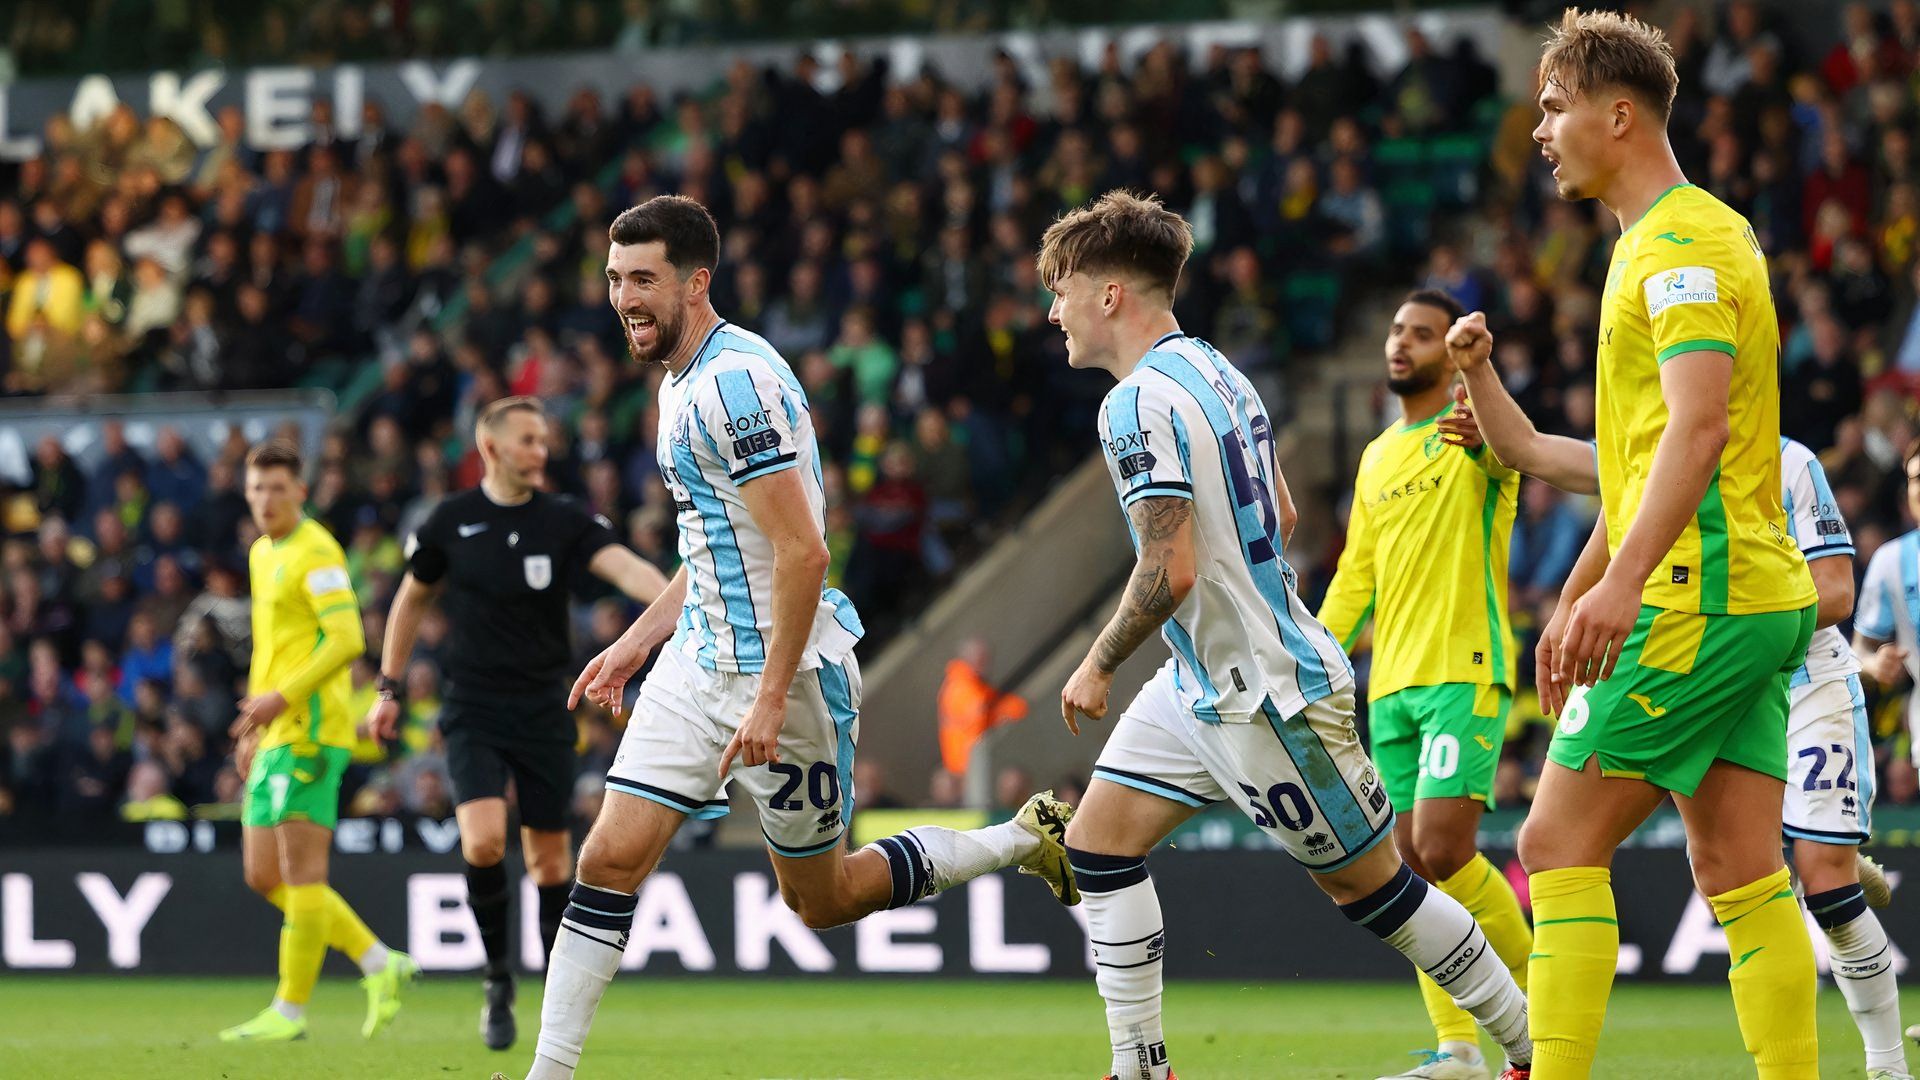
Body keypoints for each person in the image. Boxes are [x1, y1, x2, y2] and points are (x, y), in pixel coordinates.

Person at [503, 195, 1076, 1080]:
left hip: (791, 675)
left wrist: (769, 699)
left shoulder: (735, 385)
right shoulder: (681, 379)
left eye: (643, 279)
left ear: (697, 282)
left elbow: (803, 552)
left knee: (824, 898)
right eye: (615, 280)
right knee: (608, 858)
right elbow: (716, 548)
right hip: (698, 663)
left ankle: (1022, 838)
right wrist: (639, 641)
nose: (623, 298)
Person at [1038, 190, 1532, 1080]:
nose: (1053, 311)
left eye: (1062, 289)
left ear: (1110, 294)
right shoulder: (1222, 371)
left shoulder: (1133, 405)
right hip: (1199, 684)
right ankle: (1138, 1067)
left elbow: (1170, 568)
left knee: (1374, 886)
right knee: (1098, 846)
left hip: (1270, 695)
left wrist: (1095, 660)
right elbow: (1286, 510)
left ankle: (1536, 1049)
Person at [1445, 12, 1822, 1075]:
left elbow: (1697, 432)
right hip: (1743, 591)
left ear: (1620, 115)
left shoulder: (1682, 246)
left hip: (1700, 595)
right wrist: (1580, 585)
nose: (1541, 132)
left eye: (1555, 108)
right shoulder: (1663, 239)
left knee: (1555, 844)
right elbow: (1629, 456)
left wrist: (1622, 587)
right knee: (1740, 871)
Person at [1444, 376, 1908, 1080]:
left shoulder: (1783, 458)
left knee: (1562, 843)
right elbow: (1533, 448)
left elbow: (1837, 590)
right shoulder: (1650, 444)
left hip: (1778, 663)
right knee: (1740, 871)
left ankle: (1886, 1065)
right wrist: (1479, 375)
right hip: (1743, 643)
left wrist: (1750, 614)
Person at [366, 395, 671, 1051]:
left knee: (550, 860)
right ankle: (498, 978)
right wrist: (388, 687)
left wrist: (680, 597)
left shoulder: (561, 519)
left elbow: (624, 566)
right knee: (481, 842)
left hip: (543, 707)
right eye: (529, 439)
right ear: (493, 448)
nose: (542, 450)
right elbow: (409, 602)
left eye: (544, 440)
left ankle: (556, 997)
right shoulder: (451, 521)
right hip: (472, 706)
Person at [1317, 287, 1532, 1080]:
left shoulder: (1471, 431)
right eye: (1395, 330)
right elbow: (1355, 576)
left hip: (1462, 670)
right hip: (1391, 688)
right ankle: (1460, 1050)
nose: (1399, 344)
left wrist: (1483, 418)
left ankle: (1540, 996)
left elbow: (1507, 450)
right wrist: (1314, 657)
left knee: (1443, 849)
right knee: (1409, 870)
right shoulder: (1377, 456)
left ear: (1449, 350)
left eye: (1420, 334)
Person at [220, 440, 416, 1043]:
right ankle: (381, 962)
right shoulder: (260, 553)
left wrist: (283, 700)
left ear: (301, 492)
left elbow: (347, 637)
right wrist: (257, 719)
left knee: (302, 873)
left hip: (312, 731)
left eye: (278, 488)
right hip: (278, 728)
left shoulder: (317, 550)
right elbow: (273, 645)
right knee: (261, 874)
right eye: (257, 490)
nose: (267, 500)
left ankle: (291, 1009)